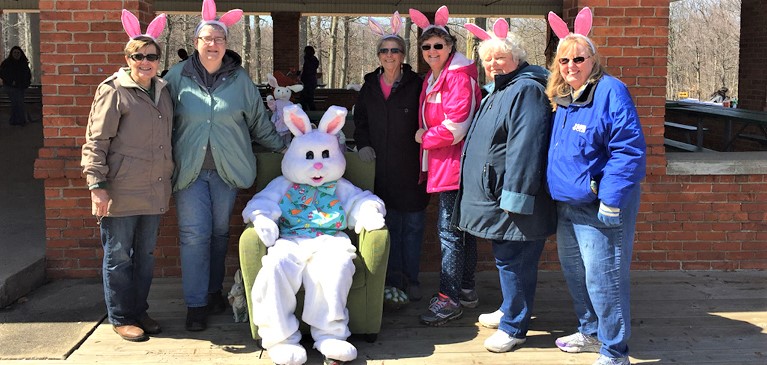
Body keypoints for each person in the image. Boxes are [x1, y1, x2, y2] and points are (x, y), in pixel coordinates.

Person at [163, 0, 286, 332]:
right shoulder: (177, 76)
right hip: (188, 171)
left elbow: (259, 122)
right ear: (196, 43)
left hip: (227, 172)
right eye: (206, 39)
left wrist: (286, 147)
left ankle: (213, 292)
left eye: (218, 39)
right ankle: (196, 304)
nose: (212, 44)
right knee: (193, 236)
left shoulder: (239, 80)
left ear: (226, 45)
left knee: (219, 234)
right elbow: (156, 117)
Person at [545, 8, 646, 365]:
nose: (571, 65)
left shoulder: (610, 92)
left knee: (605, 280)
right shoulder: (563, 97)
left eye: (578, 58)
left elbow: (628, 149)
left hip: (600, 206)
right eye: (564, 59)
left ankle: (614, 350)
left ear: (593, 60)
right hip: (567, 205)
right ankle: (589, 331)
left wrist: (611, 198)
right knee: (576, 273)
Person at [458, 20, 557, 352]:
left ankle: (515, 327)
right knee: (507, 257)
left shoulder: (527, 89)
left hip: (517, 197)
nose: (492, 64)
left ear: (517, 58)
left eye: (499, 58)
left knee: (516, 259)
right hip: (499, 193)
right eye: (488, 59)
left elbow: (525, 146)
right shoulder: (501, 89)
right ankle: (508, 309)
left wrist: (516, 196)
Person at [80, 11, 172, 342]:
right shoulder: (114, 91)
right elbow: (96, 141)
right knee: (119, 255)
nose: (145, 61)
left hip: (153, 188)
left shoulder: (162, 90)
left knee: (145, 256)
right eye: (138, 56)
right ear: (128, 58)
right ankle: (120, 316)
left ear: (158, 60)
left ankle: (139, 310)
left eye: (151, 56)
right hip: (119, 190)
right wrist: (97, 186)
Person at [408, 6, 482, 326]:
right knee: (461, 229)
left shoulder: (457, 76)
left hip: (456, 162)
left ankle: (448, 298)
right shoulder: (434, 76)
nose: (432, 51)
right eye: (426, 46)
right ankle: (465, 288)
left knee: (449, 232)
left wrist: (424, 137)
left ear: (451, 46)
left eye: (438, 45)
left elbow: (456, 126)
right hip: (445, 162)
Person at [354, 14, 430, 303]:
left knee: (411, 227)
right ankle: (392, 282)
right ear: (378, 56)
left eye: (394, 50)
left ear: (403, 55)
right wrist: (362, 144)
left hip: (411, 169)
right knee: (388, 227)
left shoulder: (417, 85)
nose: (389, 55)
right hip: (380, 171)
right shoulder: (370, 85)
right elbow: (360, 119)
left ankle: (412, 279)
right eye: (384, 50)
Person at [0, 46, 32, 126]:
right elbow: (2, 74)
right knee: (16, 102)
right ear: (11, 53)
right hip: (10, 86)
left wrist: (26, 83)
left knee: (19, 102)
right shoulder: (6, 63)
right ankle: (18, 120)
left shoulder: (23, 63)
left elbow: (28, 75)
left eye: (18, 53)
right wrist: (11, 81)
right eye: (15, 53)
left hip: (21, 86)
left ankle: (17, 120)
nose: (16, 54)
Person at [299, 46, 320, 111]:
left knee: (305, 99)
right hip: (312, 81)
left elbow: (307, 71)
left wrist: (301, 76)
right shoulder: (314, 59)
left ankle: (311, 114)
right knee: (308, 99)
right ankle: (311, 114)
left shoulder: (308, 59)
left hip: (308, 82)